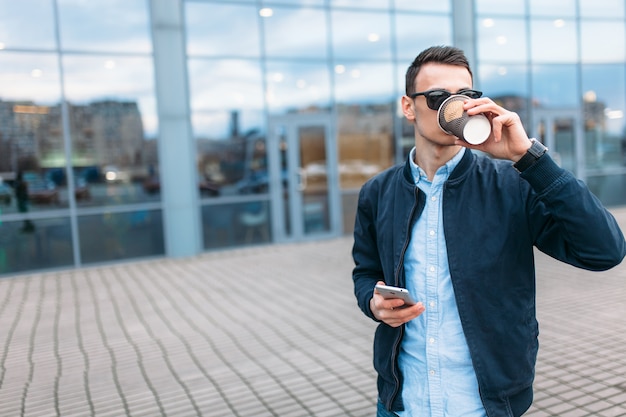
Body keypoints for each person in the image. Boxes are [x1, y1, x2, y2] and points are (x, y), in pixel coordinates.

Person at [351, 45, 626, 417]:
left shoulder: (511, 184)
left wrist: (528, 158)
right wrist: (373, 302)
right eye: (437, 97)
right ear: (408, 107)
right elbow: (366, 272)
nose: (454, 106)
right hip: (403, 402)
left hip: (486, 406)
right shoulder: (378, 192)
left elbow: (604, 251)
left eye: (465, 96)